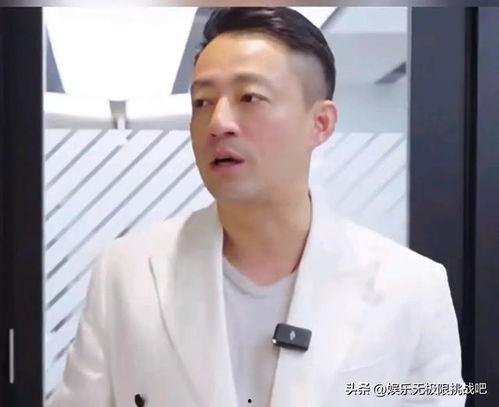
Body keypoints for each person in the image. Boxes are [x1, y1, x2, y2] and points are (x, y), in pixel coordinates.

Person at [47, 7, 465, 407]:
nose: (218, 123)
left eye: (250, 97)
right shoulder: (125, 273)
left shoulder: (413, 288)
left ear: (320, 123)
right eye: (202, 102)